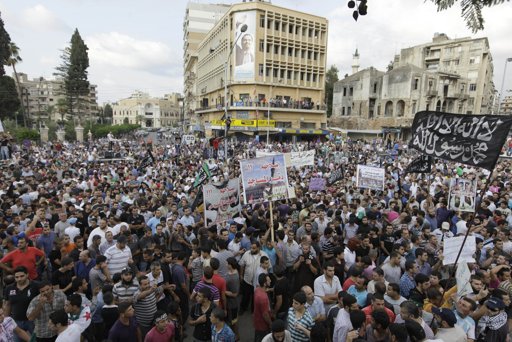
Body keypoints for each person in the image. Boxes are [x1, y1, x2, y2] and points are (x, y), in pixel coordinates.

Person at [3, 266, 39, 340]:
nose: (19, 279)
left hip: (33, 321)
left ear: (27, 275)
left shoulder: (36, 286)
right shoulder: (9, 288)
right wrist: (5, 320)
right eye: (17, 277)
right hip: (16, 322)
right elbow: (8, 304)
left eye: (22, 276)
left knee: (36, 340)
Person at [254, 273, 273, 342]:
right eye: (269, 280)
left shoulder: (257, 289)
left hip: (257, 321)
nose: (270, 280)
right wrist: (270, 324)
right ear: (265, 284)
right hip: (263, 325)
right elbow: (265, 314)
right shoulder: (263, 298)